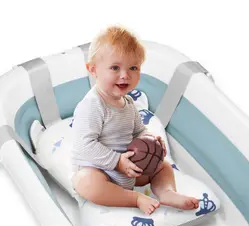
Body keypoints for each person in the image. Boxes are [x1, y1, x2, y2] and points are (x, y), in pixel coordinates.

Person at [71, 26, 199, 215]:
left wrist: (150, 141)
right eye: (115, 68)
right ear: (93, 69)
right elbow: (85, 145)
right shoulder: (92, 105)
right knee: (85, 182)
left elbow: (139, 131)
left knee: (162, 166)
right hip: (100, 170)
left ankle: (167, 192)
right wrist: (117, 162)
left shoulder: (129, 103)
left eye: (133, 68)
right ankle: (135, 198)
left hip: (129, 169)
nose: (125, 75)